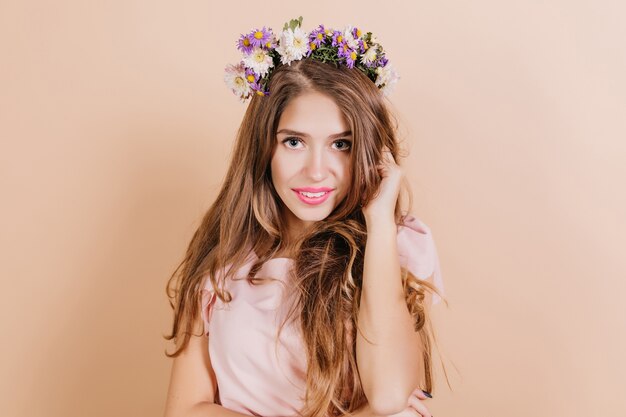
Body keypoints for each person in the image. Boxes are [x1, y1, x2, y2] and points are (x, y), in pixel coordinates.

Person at [163, 18, 445, 417]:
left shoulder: (397, 247)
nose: (316, 170)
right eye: (294, 142)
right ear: (264, 148)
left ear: (367, 152)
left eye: (341, 145)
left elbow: (388, 397)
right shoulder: (223, 259)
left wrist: (379, 220)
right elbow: (185, 411)